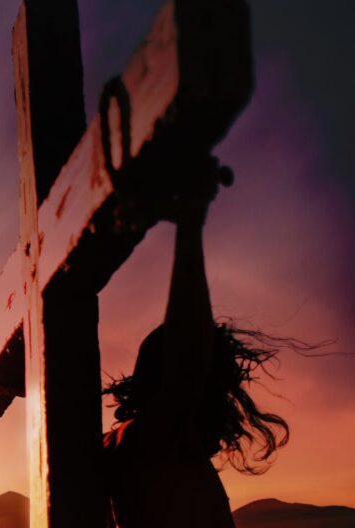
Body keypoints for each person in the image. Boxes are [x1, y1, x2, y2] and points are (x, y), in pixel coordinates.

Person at [102, 156, 290, 528]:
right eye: (215, 388)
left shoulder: (141, 446)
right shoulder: (151, 438)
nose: (225, 405)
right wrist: (191, 220)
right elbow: (186, 360)